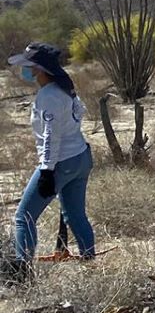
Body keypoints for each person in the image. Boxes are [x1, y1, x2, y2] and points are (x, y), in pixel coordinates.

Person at [8, 42, 94, 277]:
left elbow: (50, 136)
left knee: (23, 217)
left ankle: (22, 273)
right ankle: (90, 265)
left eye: (29, 67)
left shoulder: (49, 96)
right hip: (81, 157)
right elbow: (78, 115)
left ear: (39, 69)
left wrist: (46, 171)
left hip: (61, 163)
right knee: (76, 215)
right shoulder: (64, 89)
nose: (26, 72)